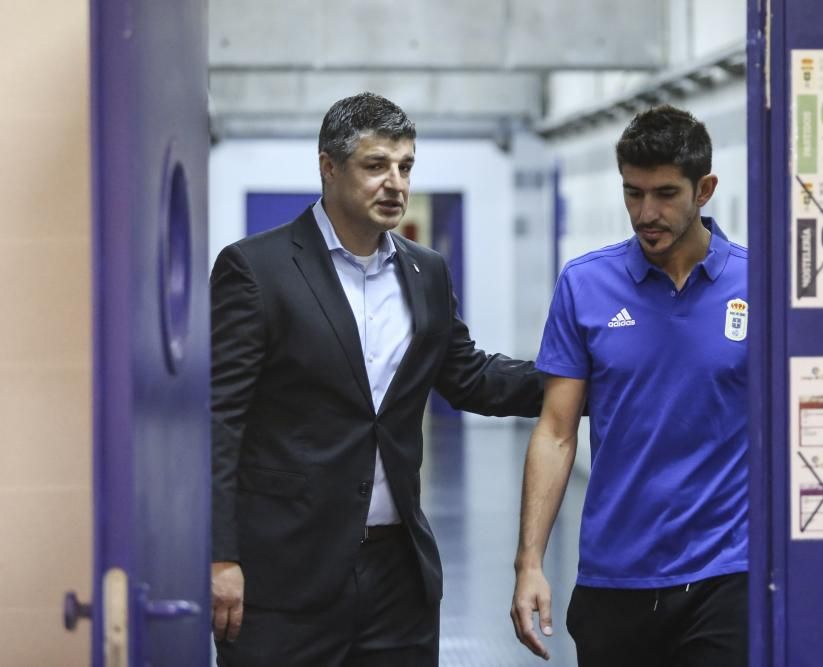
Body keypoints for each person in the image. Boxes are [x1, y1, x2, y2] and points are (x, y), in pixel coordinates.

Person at [210, 92, 543, 666]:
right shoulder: (256, 270)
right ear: (328, 167)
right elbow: (219, 420)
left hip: (397, 578)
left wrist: (581, 379)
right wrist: (219, 556)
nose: (395, 182)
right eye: (376, 166)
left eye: (405, 166)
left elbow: (470, 378)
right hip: (285, 577)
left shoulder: (426, 271)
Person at [510, 104, 749, 666]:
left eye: (665, 193)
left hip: (726, 573)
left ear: (705, 188)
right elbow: (556, 431)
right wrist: (530, 562)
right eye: (633, 193)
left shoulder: (757, 281)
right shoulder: (585, 286)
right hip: (616, 576)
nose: (647, 213)